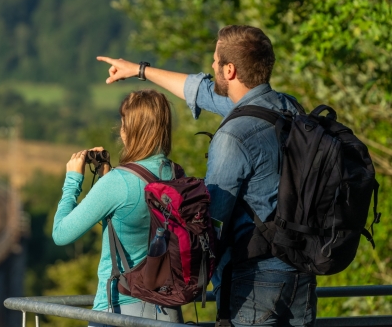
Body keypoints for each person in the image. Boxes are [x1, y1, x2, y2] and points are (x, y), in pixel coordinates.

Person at [97, 25, 317, 327]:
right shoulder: (288, 108)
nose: (211, 67)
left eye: (215, 61)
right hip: (300, 270)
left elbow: (212, 220)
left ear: (229, 70)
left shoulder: (234, 135)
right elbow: (199, 91)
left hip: (254, 279)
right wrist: (139, 70)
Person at [52, 89, 183, 325]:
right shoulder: (176, 175)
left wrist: (72, 181)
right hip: (169, 311)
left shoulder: (119, 182)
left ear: (130, 129)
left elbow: (61, 234)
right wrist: (106, 176)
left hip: (120, 311)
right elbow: (132, 218)